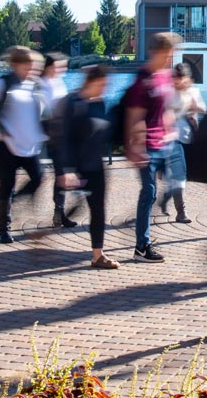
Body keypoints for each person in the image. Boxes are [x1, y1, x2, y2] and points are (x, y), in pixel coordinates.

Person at [0, 46, 47, 244]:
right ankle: (4, 229)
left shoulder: (34, 86)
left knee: (38, 177)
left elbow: (39, 112)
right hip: (4, 144)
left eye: (34, 66)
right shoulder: (2, 84)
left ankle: (16, 200)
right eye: (29, 66)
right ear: (16, 64)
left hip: (28, 143)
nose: (32, 70)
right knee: (6, 185)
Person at [54, 65, 119, 269]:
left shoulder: (100, 103)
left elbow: (105, 133)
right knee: (80, 207)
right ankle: (45, 235)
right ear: (91, 81)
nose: (104, 89)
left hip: (95, 165)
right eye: (101, 84)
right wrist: (66, 169)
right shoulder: (72, 103)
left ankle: (97, 255)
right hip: (76, 165)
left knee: (97, 209)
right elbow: (62, 138)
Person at [123, 32, 181, 263]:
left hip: (163, 144)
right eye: (168, 54)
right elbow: (134, 115)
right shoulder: (143, 80)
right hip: (146, 146)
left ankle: (138, 222)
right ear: (155, 52)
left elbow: (165, 108)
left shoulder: (165, 77)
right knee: (149, 192)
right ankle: (141, 246)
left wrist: (170, 129)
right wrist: (134, 147)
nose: (170, 59)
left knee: (172, 185)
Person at [157, 63, 206, 224]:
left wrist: (194, 105)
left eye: (180, 78)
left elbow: (203, 108)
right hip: (173, 138)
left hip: (189, 138)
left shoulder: (193, 91)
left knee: (185, 175)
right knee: (179, 175)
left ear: (187, 78)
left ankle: (166, 197)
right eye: (174, 78)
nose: (176, 81)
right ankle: (181, 211)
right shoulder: (168, 93)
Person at [39, 53, 78, 229]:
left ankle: (59, 212)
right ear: (48, 67)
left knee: (63, 174)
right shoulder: (42, 85)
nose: (63, 69)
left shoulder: (58, 83)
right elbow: (44, 111)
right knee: (61, 173)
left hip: (64, 134)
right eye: (59, 66)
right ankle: (59, 213)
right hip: (53, 135)